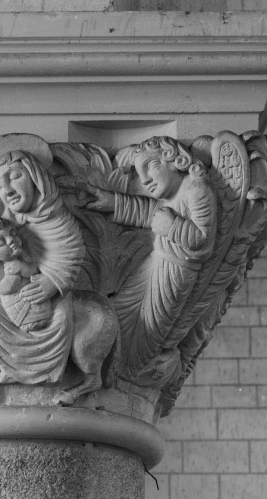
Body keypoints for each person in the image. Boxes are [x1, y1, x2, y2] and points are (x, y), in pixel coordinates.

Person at [78, 136, 218, 384]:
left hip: (177, 271)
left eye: (151, 166)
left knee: (150, 324)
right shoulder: (172, 195)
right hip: (156, 261)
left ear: (176, 160)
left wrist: (171, 226)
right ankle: (105, 358)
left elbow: (204, 240)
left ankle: (128, 372)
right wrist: (113, 202)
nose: (144, 180)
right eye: (139, 172)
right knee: (122, 307)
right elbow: (150, 212)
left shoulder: (196, 189)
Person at [0, 134, 85, 385]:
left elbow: (72, 254)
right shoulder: (4, 222)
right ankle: (2, 371)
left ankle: (50, 371)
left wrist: (52, 283)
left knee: (63, 319)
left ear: (37, 178)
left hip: (47, 295)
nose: (8, 190)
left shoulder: (59, 221)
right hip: (6, 298)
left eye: (15, 176)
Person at [0, 216, 51, 332]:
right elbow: (6, 289)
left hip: (40, 308)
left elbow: (34, 270)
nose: (11, 240)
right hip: (21, 313)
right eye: (1, 242)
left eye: (13, 233)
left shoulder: (25, 255)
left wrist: (22, 267)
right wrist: (10, 278)